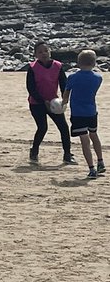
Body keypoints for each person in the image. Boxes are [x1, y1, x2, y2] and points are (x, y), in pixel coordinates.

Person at [26, 41, 74, 165]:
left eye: (46, 51)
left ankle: (67, 155)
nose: (44, 54)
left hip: (54, 102)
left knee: (63, 127)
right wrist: (43, 101)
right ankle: (34, 151)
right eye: (40, 52)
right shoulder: (32, 68)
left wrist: (65, 99)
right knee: (42, 128)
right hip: (37, 103)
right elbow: (31, 88)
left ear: (50, 52)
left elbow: (64, 84)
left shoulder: (58, 66)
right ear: (35, 54)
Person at [63, 49, 105, 179]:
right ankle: (100, 161)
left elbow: (66, 97)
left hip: (78, 113)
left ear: (78, 63)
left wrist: (61, 104)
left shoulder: (72, 77)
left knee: (84, 140)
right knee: (94, 135)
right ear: (94, 63)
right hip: (92, 111)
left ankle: (92, 168)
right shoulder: (98, 78)